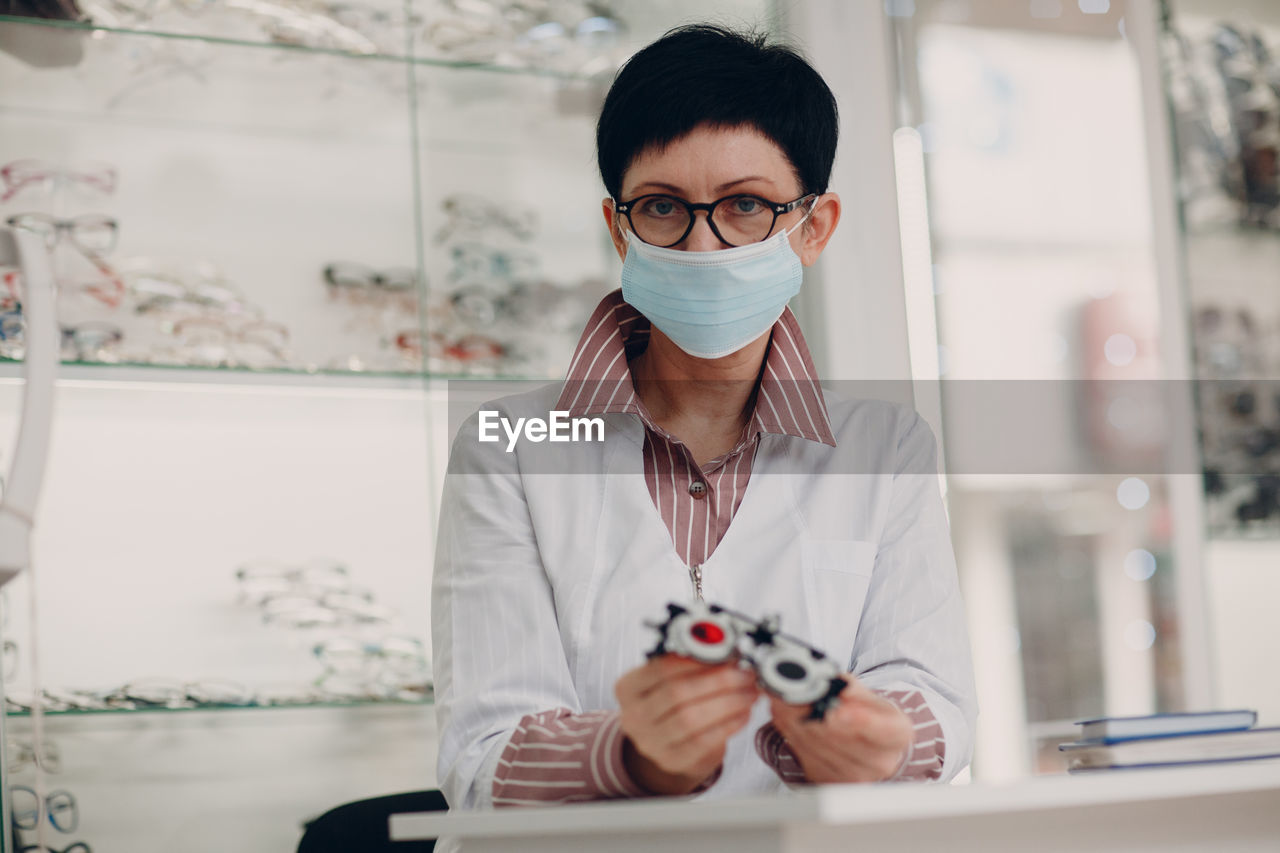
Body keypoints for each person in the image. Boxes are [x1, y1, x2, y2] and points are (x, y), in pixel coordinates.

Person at [432, 24, 977, 819]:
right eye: (662, 207)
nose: (702, 243)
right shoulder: (509, 448)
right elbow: (481, 758)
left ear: (813, 228)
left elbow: (936, 707)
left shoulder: (885, 448)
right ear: (619, 228)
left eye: (746, 205)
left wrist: (876, 742)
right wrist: (632, 755)